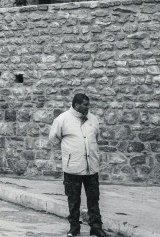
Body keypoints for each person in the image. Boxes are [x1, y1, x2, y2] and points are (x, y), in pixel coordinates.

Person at [49, 93, 108, 237]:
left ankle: (96, 227)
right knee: (74, 200)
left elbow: (96, 137)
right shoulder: (62, 119)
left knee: (94, 199)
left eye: (88, 104)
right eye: (85, 104)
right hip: (73, 168)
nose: (88, 107)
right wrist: (70, 152)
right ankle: (74, 228)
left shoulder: (93, 119)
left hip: (91, 168)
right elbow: (53, 139)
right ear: (76, 105)